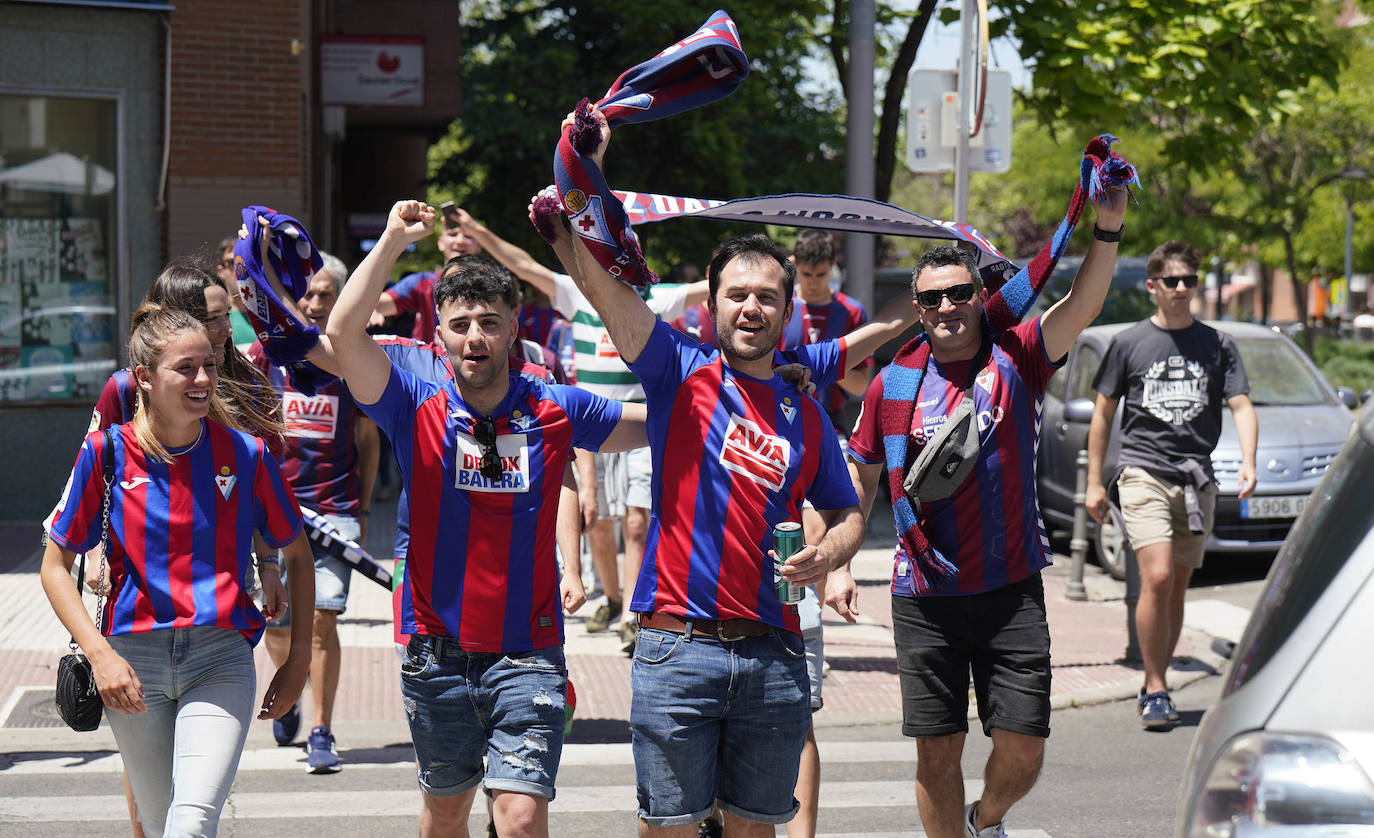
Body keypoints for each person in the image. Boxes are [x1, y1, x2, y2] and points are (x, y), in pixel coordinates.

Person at [554, 104, 867, 837]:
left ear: (788, 311)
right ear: (712, 301)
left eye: (767, 297)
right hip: (676, 651)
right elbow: (604, 287)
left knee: (757, 830)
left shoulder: (807, 413)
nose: (752, 308)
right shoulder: (674, 369)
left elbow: (851, 512)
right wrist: (582, 165)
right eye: (738, 294)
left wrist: (831, 553)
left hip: (774, 653)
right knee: (667, 829)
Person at [326, 200, 646, 838]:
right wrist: (391, 239)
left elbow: (654, 425)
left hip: (528, 653)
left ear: (513, 328)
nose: (475, 336)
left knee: (522, 818)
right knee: (446, 814)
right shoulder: (409, 399)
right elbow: (342, 334)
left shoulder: (557, 408)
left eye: (489, 323)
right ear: (439, 333)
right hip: (436, 653)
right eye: (461, 323)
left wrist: (735, 388)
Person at [840, 182, 1125, 838]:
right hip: (925, 594)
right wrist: (840, 561)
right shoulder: (892, 384)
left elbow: (1082, 305)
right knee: (937, 752)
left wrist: (1105, 230)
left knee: (1023, 746)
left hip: (1011, 587)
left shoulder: (1017, 357)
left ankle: (984, 819)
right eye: (934, 297)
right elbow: (861, 470)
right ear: (918, 309)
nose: (948, 306)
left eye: (961, 292)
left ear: (979, 298)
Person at [41, 303, 313, 838]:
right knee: (163, 818)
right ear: (143, 377)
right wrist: (100, 656)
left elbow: (299, 554)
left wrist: (298, 659)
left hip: (221, 656)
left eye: (209, 365)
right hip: (129, 666)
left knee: (190, 823)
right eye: (185, 368)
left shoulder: (246, 452)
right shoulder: (105, 453)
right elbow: (55, 566)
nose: (204, 378)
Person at [449, 205, 710, 645]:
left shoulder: (656, 300)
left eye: (627, 252)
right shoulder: (578, 293)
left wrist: (776, 272)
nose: (620, 261)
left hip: (640, 423)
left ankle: (631, 611)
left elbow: (714, 288)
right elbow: (522, 265)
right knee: (599, 525)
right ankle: (610, 596)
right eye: (611, 252)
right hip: (588, 430)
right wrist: (477, 229)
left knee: (635, 522)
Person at [1084, 240, 1257, 730]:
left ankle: (1157, 674)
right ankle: (1156, 685)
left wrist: (1248, 460)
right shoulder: (1129, 343)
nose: (1182, 289)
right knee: (1156, 577)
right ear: (1153, 287)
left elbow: (1241, 404)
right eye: (1172, 281)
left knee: (1177, 587)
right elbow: (1102, 414)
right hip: (1143, 472)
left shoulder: (1218, 344)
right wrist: (1096, 481)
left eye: (1189, 281)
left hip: (1196, 476)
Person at [250, 252, 380, 769]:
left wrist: (364, 506)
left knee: (323, 622)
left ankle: (323, 731)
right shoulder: (271, 357)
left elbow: (368, 438)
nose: (316, 301)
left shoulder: (353, 360)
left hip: (335, 508)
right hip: (276, 513)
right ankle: (290, 690)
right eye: (310, 292)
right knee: (277, 625)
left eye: (328, 293)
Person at [369, 206, 483, 341]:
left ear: (479, 245)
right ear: (441, 243)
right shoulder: (421, 283)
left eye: (468, 236)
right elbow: (378, 305)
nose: (459, 241)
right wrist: (370, 308)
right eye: (452, 234)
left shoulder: (493, 286)